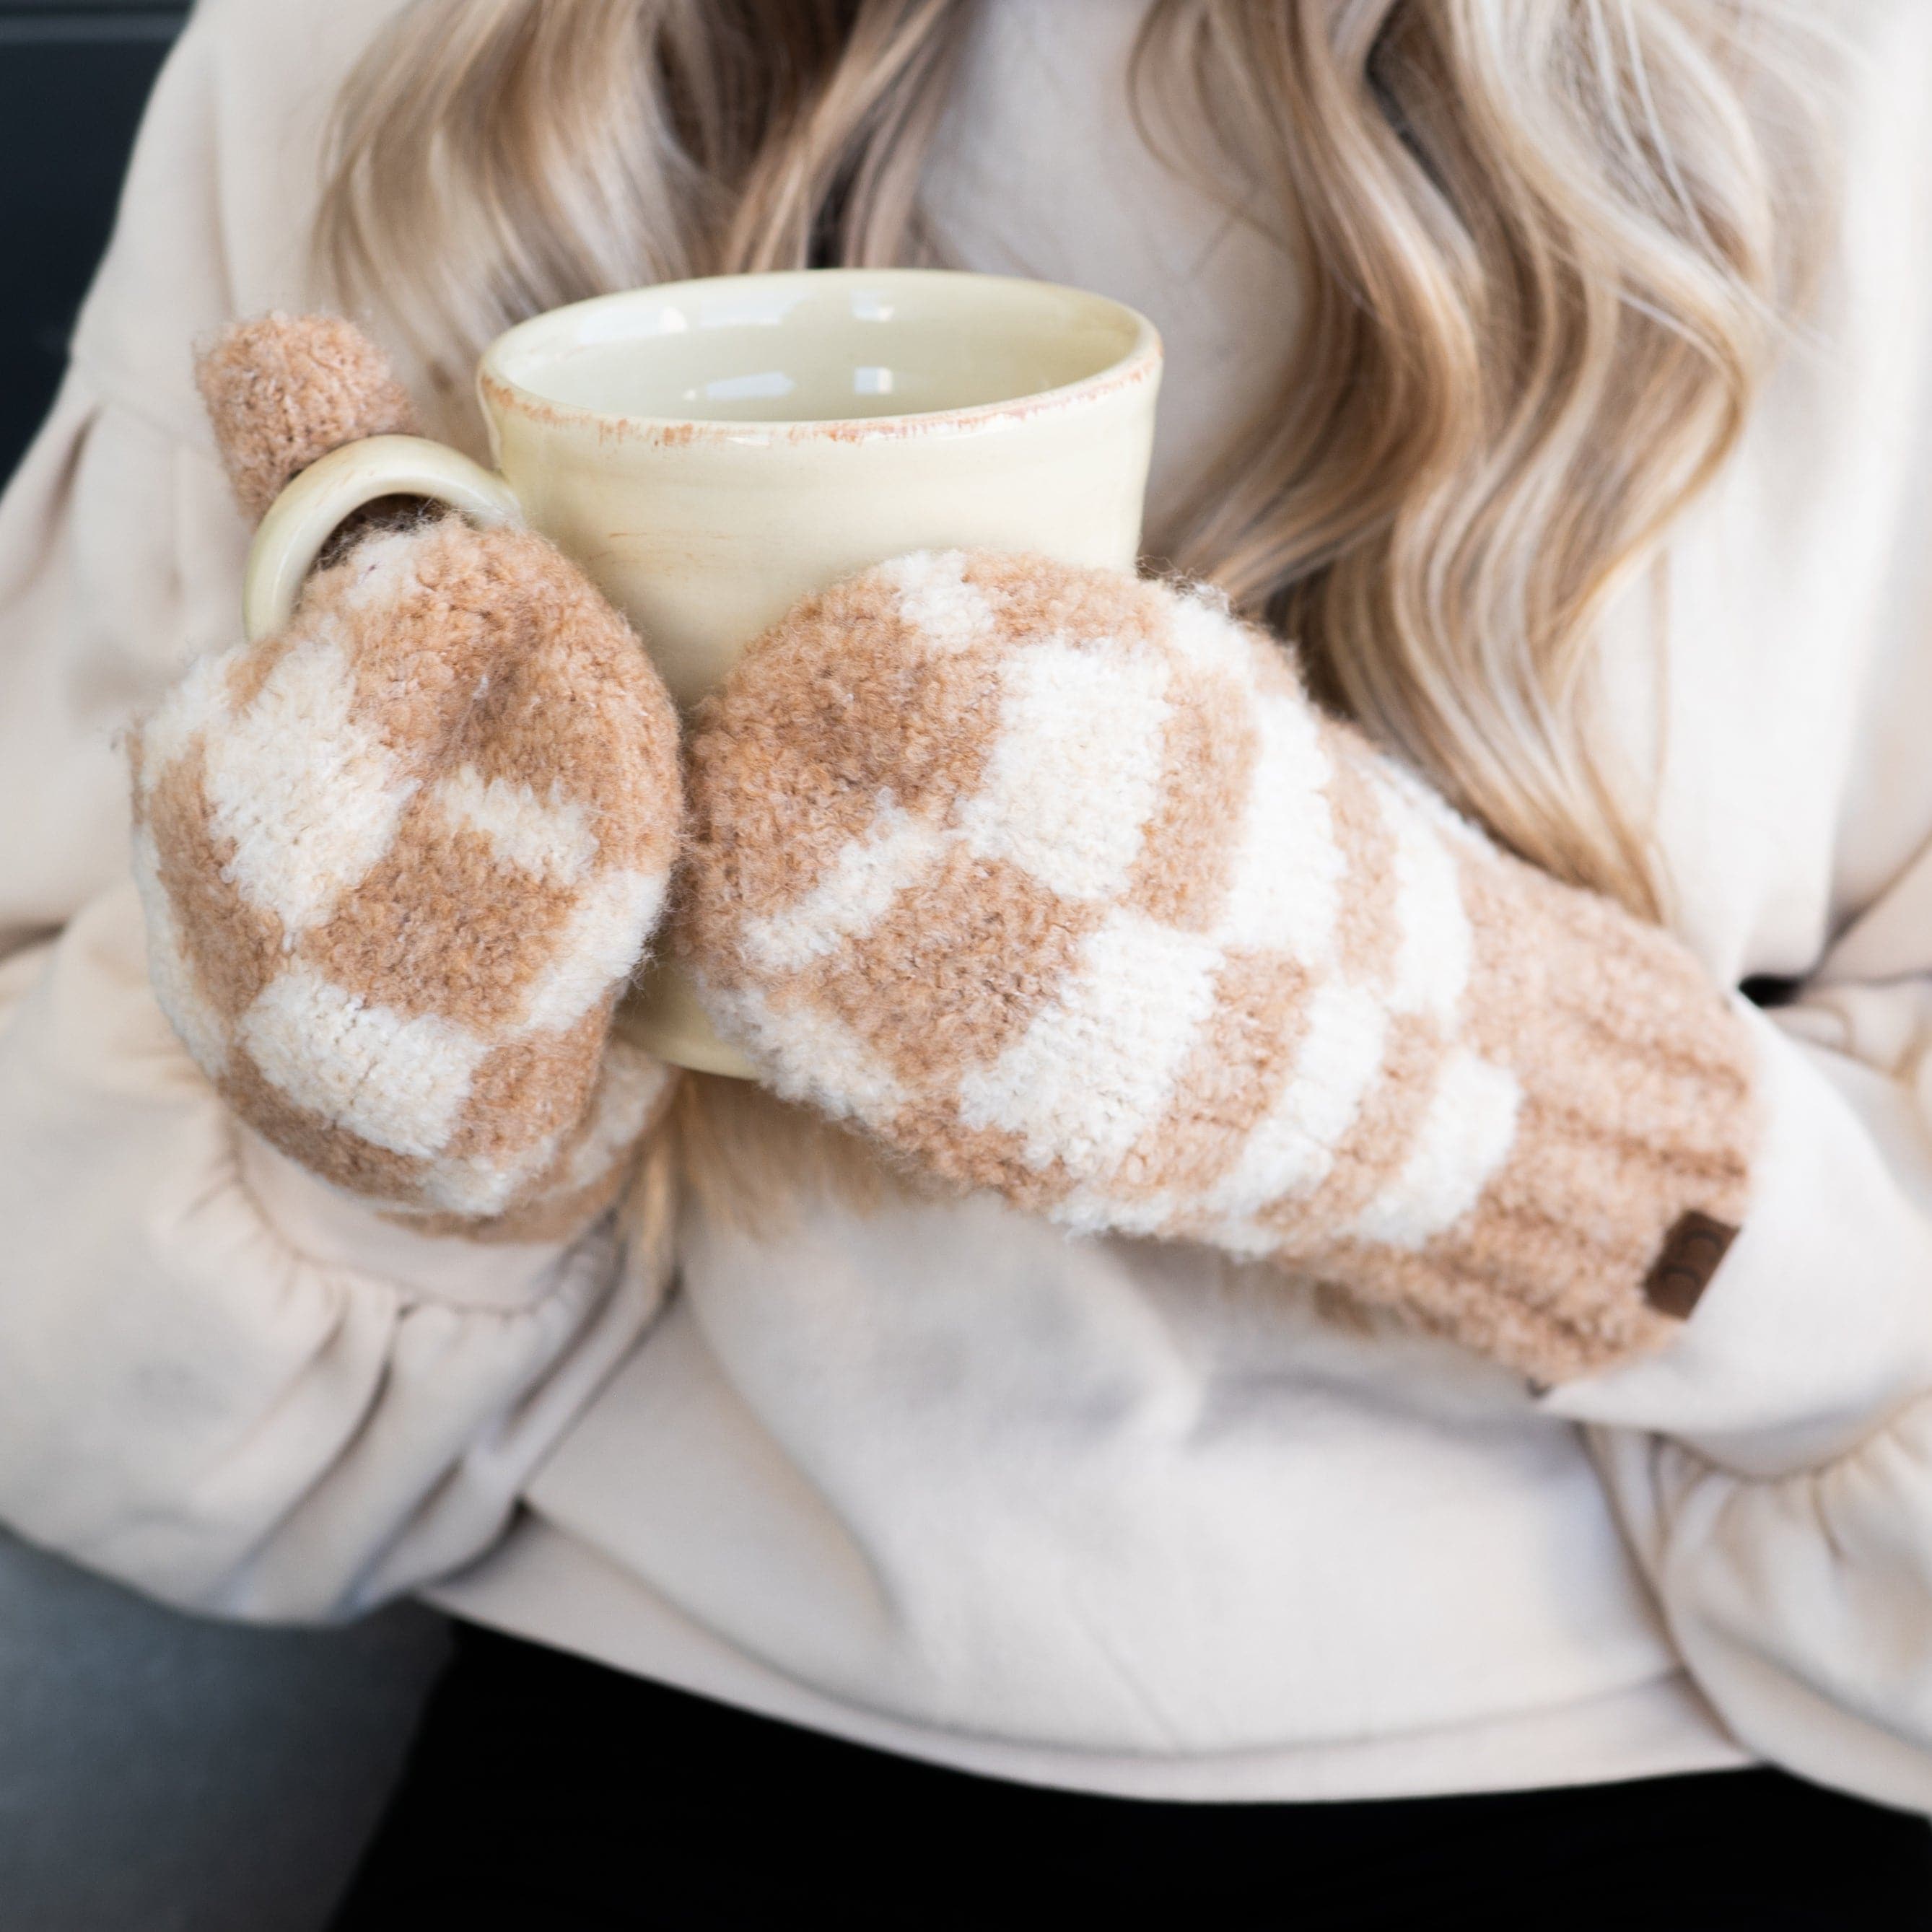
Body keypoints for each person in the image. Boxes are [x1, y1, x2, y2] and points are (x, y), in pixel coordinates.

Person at [3, 0, 1931, 1923]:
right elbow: (89, 1421)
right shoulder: (359, 66)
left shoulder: (1862, 86)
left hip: (1660, 1757)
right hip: (662, 1721)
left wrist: (1507, 1110)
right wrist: (392, 1108)